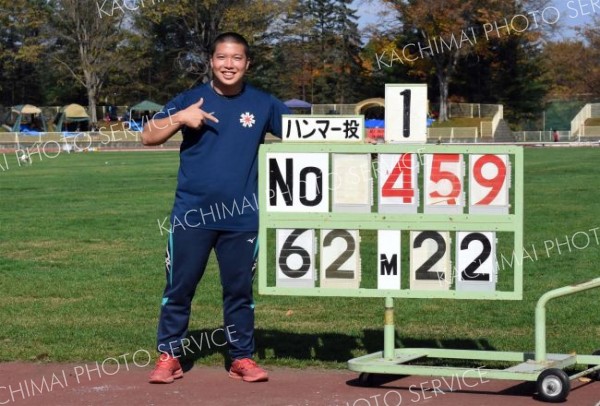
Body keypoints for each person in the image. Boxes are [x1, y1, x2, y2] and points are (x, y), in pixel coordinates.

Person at [141, 32, 290, 384]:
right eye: (222, 57)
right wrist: (180, 118)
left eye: (237, 58)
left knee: (239, 292)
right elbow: (148, 134)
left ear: (247, 63)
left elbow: (308, 134)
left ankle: (241, 357)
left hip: (243, 217)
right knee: (179, 289)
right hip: (192, 216)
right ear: (211, 61)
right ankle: (169, 356)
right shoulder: (190, 99)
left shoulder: (264, 104)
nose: (229, 64)